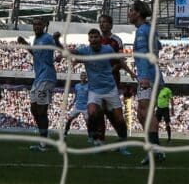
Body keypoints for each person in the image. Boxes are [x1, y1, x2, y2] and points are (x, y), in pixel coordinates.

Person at [69, 28, 132, 155]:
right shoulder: (85, 50)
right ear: (89, 40)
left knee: (119, 119)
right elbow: (73, 52)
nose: (93, 40)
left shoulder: (108, 49)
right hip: (94, 90)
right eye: (91, 37)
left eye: (95, 37)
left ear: (99, 39)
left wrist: (131, 73)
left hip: (110, 89)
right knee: (92, 113)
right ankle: (94, 139)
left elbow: (119, 61)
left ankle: (123, 145)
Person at [17, 17, 60, 151]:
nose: (36, 27)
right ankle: (43, 138)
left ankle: (44, 142)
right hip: (38, 78)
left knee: (41, 110)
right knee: (34, 109)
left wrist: (57, 40)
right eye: (34, 24)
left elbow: (58, 47)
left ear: (44, 26)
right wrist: (25, 44)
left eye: (39, 24)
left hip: (47, 77)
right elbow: (35, 54)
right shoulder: (36, 40)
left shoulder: (47, 38)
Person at [129, 0, 164, 164]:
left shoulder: (142, 31)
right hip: (154, 75)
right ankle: (155, 148)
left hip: (148, 77)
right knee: (141, 114)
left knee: (146, 112)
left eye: (131, 10)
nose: (129, 13)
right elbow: (159, 46)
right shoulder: (150, 29)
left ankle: (154, 151)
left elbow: (144, 56)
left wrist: (143, 77)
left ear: (137, 13)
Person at [96, 14, 127, 142]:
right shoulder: (96, 39)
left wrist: (109, 72)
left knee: (113, 111)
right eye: (100, 22)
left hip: (112, 79)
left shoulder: (116, 40)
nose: (102, 24)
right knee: (100, 110)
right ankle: (100, 140)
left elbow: (120, 61)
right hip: (98, 80)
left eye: (105, 22)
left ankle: (122, 137)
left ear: (111, 25)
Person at [63, 71, 89, 137]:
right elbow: (76, 95)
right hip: (77, 107)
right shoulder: (77, 86)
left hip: (85, 107)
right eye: (82, 76)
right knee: (69, 119)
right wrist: (71, 103)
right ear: (80, 77)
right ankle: (65, 133)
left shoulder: (89, 85)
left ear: (86, 77)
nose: (83, 77)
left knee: (88, 122)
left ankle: (91, 136)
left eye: (84, 76)